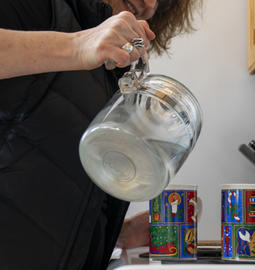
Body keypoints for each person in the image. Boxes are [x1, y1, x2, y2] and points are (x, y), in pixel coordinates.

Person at [0, 0, 202, 269]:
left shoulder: (106, 74)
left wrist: (113, 234)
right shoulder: (41, 9)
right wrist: (76, 46)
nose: (151, 3)